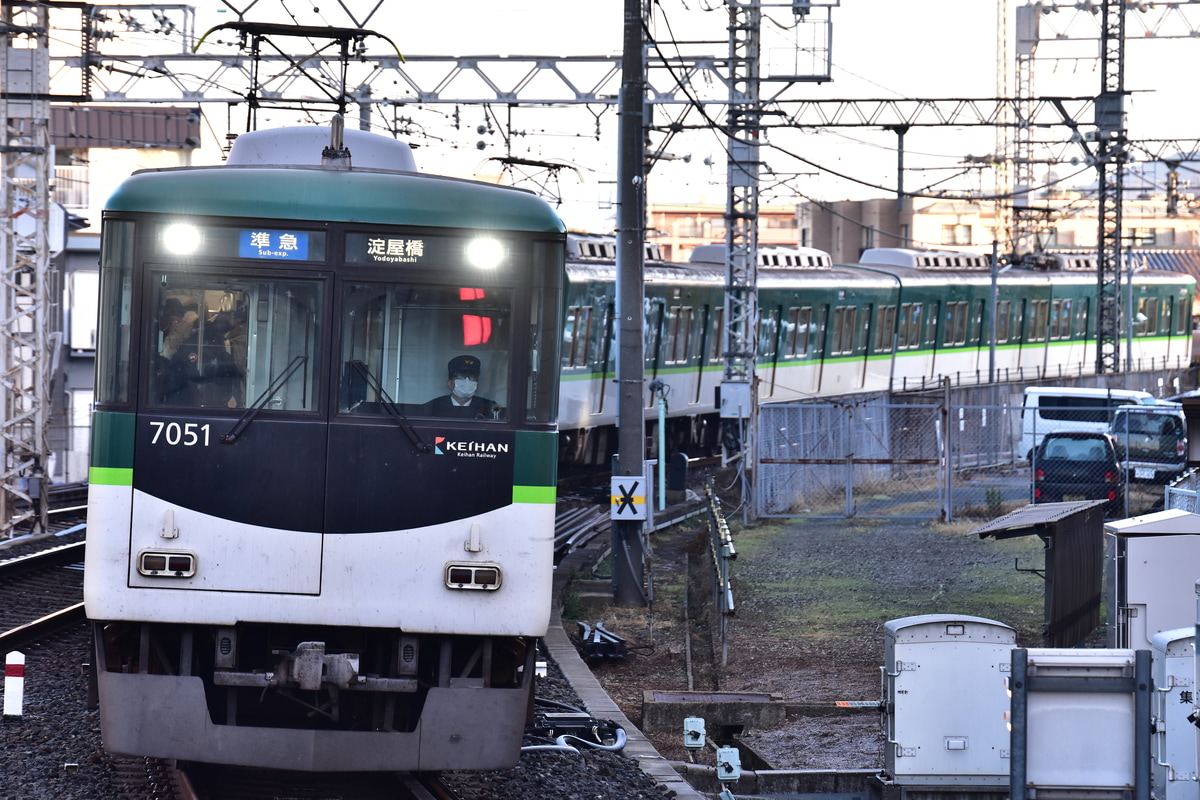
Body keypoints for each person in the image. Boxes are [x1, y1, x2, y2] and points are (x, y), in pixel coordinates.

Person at [425, 354, 500, 418]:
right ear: (450, 383)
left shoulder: (488, 407)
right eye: (461, 376)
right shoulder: (433, 407)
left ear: (477, 385)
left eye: (472, 377)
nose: (467, 381)